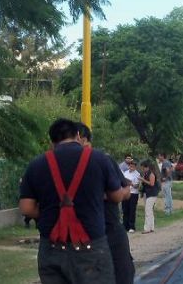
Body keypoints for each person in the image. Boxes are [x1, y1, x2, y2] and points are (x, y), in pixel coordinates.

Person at [19, 118, 127, 284]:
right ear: (78, 135)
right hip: (91, 247)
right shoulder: (99, 159)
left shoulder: (37, 164)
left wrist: (51, 211)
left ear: (52, 141)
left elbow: (26, 208)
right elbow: (116, 196)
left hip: (51, 247)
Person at [75, 122, 135, 284]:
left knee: (122, 273)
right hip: (80, 236)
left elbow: (126, 190)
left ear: (82, 138)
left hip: (110, 230)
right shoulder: (63, 164)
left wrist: (109, 195)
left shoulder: (102, 159)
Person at [139, 159, 160, 234]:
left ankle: (147, 228)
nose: (142, 169)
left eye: (143, 168)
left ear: (147, 167)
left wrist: (143, 180)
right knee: (150, 210)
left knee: (148, 210)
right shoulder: (146, 173)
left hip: (152, 194)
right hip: (147, 193)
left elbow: (152, 184)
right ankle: (151, 227)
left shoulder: (151, 174)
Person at [122, 161, 141, 232]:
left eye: (132, 166)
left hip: (133, 193)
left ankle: (131, 226)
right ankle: (125, 226)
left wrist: (131, 184)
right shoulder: (125, 173)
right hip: (125, 192)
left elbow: (137, 186)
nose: (131, 167)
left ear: (135, 167)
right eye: (130, 166)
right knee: (125, 210)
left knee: (132, 210)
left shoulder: (137, 174)